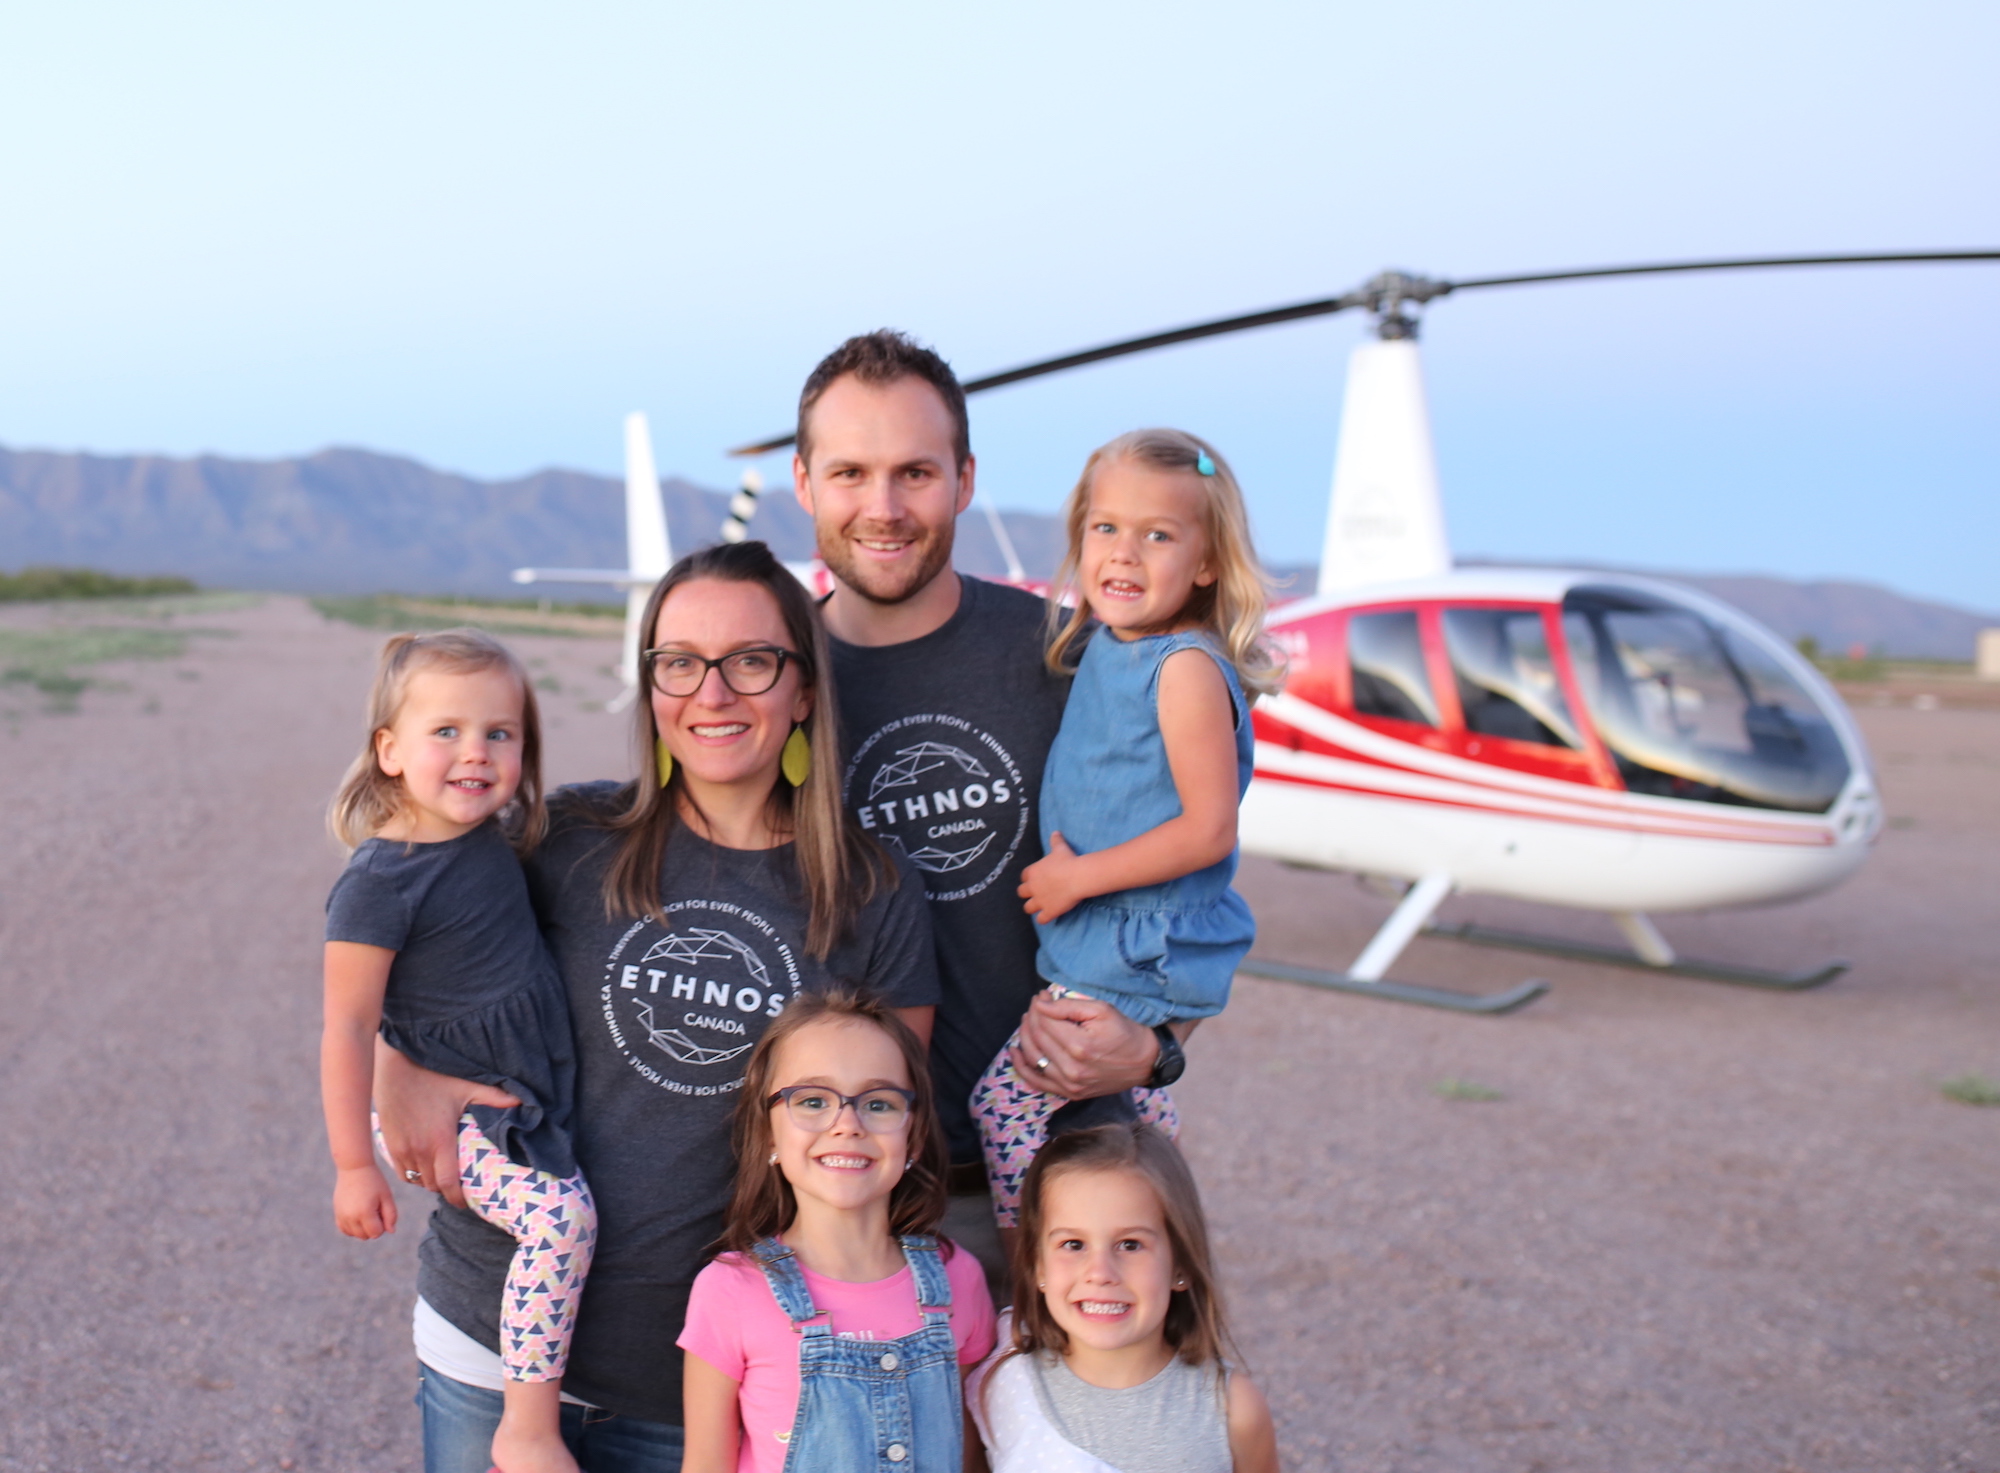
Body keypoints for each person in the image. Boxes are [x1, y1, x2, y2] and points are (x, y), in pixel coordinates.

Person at [371, 541, 941, 1473]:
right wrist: (400, 1066)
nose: (710, 693)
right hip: (492, 1339)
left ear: (803, 687)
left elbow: (888, 1135)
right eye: (678, 662)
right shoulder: (566, 836)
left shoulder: (872, 889)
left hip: (706, 1382)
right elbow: (398, 930)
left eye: (750, 661)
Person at [791, 331, 1184, 1278]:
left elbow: (1187, 876)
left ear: (965, 479)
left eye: (914, 472)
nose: (883, 509)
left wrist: (1155, 1045)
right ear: (804, 483)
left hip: (1063, 1174)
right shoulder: (765, 681)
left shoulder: (1070, 661)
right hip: (831, 1193)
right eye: (850, 473)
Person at [970, 430, 1277, 1227]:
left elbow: (1208, 830)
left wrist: (1077, 877)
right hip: (1098, 935)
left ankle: (1035, 1276)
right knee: (1076, 1119)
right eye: (1106, 527)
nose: (1125, 553)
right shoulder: (1110, 644)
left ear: (1207, 564)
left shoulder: (1183, 668)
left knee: (1009, 1110)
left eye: (1159, 535)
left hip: (1129, 942)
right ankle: (1137, 1137)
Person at [321, 628, 595, 1473]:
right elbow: (346, 1028)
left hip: (513, 1078)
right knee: (560, 1222)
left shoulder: (490, 834)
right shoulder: (378, 884)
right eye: (446, 731)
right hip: (461, 1100)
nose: (475, 753)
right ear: (389, 749)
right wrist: (353, 1166)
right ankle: (528, 1422)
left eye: (498, 733)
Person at [679, 989, 995, 1473]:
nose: (847, 1123)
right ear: (768, 1133)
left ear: (913, 1134)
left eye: (880, 1103)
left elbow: (969, 1458)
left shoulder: (960, 1280)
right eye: (811, 1100)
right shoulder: (729, 1291)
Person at [967, 1123, 1278, 1473]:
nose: (1100, 1272)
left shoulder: (1233, 1410)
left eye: (1130, 1245)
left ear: (1181, 1264)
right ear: (1038, 1266)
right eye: (1073, 1245)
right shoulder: (1005, 1385)